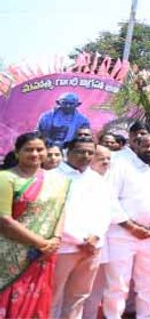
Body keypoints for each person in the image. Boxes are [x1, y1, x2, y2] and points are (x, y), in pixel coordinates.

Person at [103, 134, 150, 319]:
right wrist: (131, 227)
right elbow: (110, 198)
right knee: (118, 283)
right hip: (122, 234)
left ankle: (145, 316)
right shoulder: (121, 166)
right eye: (146, 145)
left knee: (148, 282)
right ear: (136, 146)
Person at [0, 132, 69, 318]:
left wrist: (56, 238)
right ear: (17, 153)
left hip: (44, 255)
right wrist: (41, 243)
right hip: (11, 254)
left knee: (37, 300)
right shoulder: (5, 178)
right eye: (28, 149)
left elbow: (60, 209)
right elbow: (4, 220)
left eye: (40, 149)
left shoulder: (57, 180)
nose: (35, 154)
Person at [51, 137, 113, 319]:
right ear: (67, 152)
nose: (85, 156)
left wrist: (96, 237)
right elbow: (54, 214)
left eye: (90, 152)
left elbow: (105, 212)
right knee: (54, 295)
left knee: (79, 297)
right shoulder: (53, 177)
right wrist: (79, 239)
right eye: (80, 151)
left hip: (93, 247)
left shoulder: (97, 179)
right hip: (64, 247)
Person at [82, 145, 113, 319]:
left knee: (97, 289)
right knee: (77, 289)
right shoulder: (81, 179)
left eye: (108, 158)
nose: (106, 161)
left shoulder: (108, 179)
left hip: (104, 241)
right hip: (81, 241)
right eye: (101, 157)